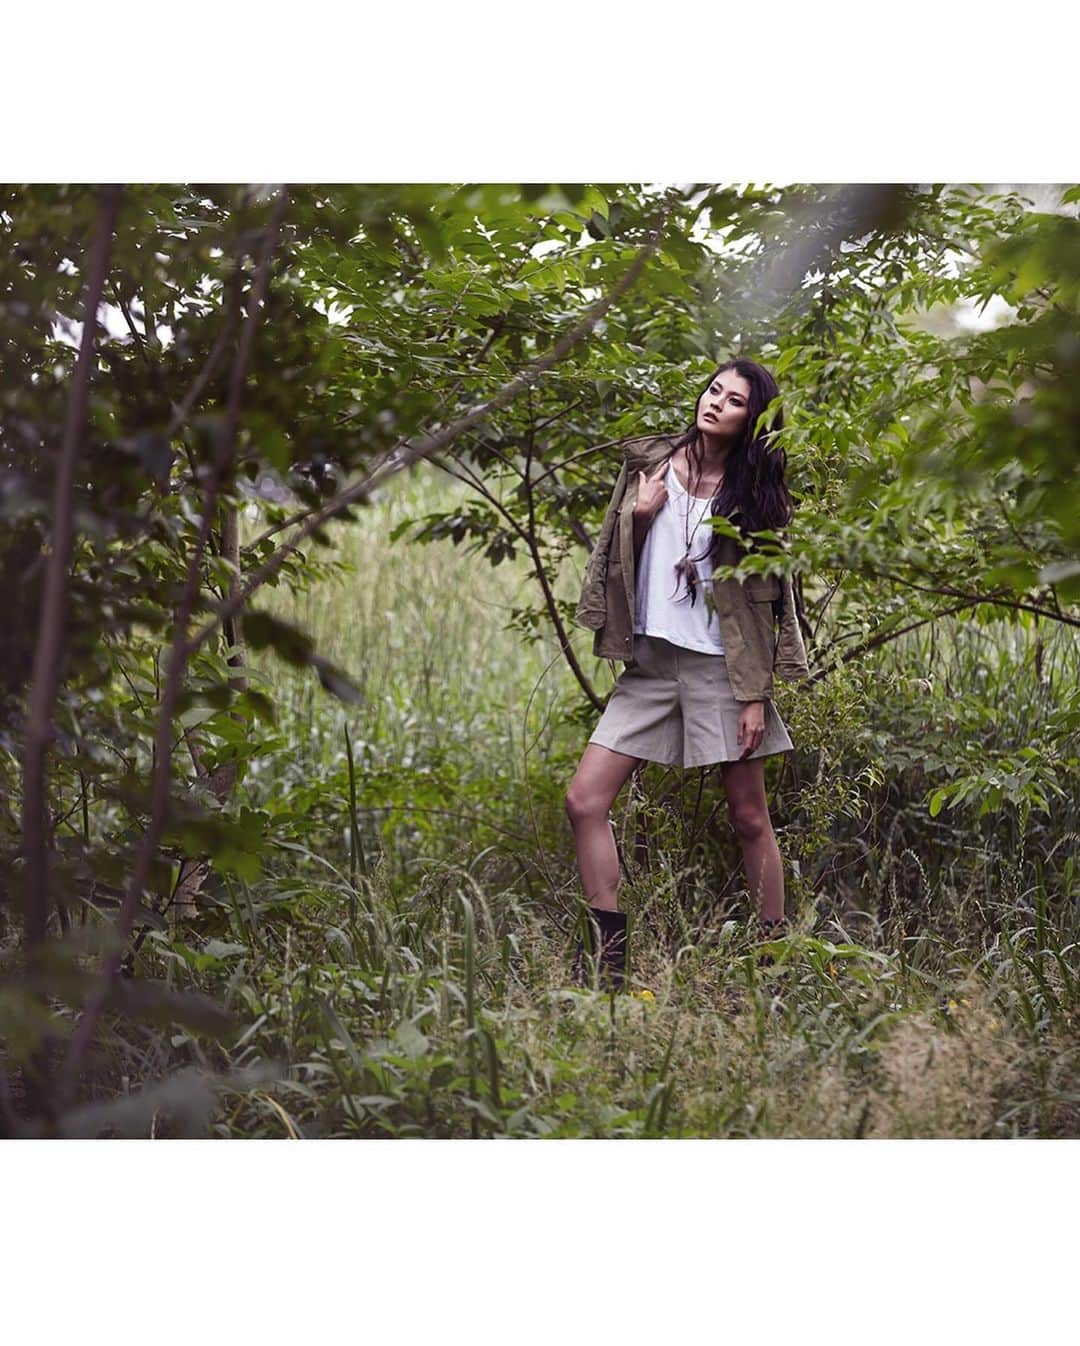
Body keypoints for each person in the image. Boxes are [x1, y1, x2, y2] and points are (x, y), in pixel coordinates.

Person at [566, 359, 811, 989]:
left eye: (733, 401)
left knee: (749, 817)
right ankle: (608, 967)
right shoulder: (648, 465)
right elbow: (612, 557)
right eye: (712, 391)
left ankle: (772, 966)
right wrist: (641, 517)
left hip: (720, 670)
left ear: (750, 420)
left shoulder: (755, 497)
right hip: (649, 664)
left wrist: (755, 694)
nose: (715, 404)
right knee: (584, 799)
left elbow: (769, 599)